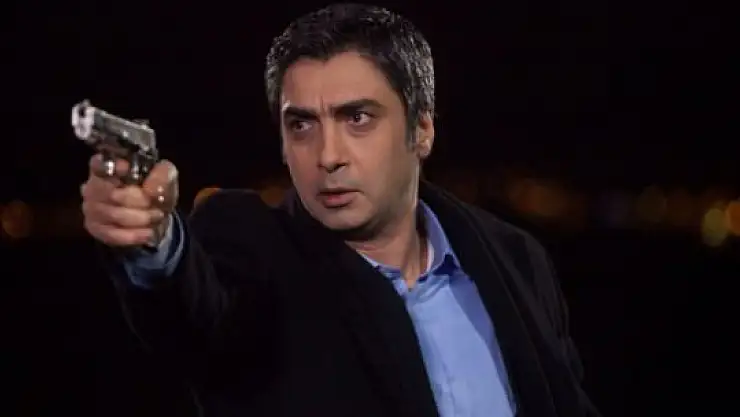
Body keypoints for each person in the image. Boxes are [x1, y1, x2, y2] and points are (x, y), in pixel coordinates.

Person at [81, 3, 601, 417]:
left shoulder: (516, 259)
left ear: (421, 130)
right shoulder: (249, 250)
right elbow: (195, 307)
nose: (327, 155)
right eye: (302, 125)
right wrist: (152, 242)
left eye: (358, 118)